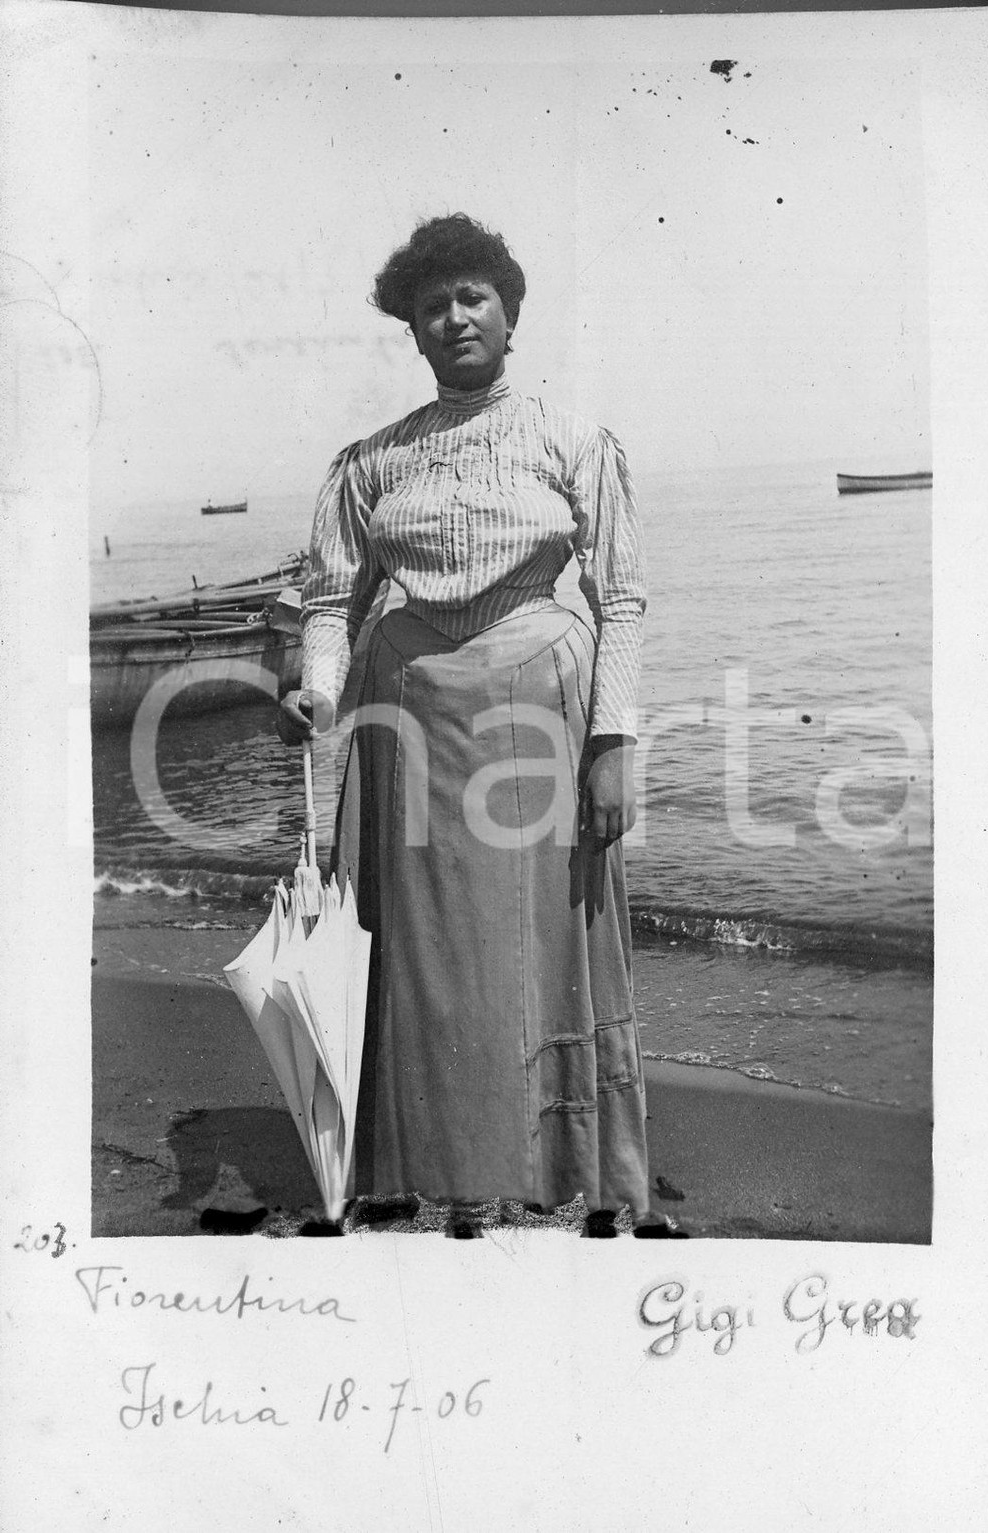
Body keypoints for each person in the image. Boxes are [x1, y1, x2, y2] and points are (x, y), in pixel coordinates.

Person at [277, 213, 651, 1222]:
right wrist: (315, 691)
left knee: (530, 948)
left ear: (508, 313)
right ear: (412, 328)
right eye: (432, 306)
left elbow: (618, 597)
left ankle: (550, 1171)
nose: (454, 318)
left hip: (538, 716)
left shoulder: (572, 440)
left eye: (471, 297)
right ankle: (430, 1169)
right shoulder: (370, 462)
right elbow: (330, 605)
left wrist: (613, 744)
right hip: (408, 728)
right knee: (427, 959)